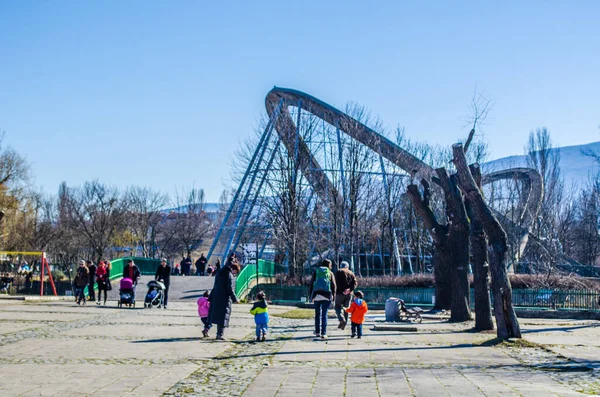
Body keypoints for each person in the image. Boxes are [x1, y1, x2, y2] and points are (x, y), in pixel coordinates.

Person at [208, 260, 240, 340]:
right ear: (234, 269)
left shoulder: (219, 272)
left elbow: (215, 284)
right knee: (223, 316)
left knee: (213, 315)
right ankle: (219, 334)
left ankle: (206, 330)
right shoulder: (229, 275)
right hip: (224, 298)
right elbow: (230, 288)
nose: (235, 274)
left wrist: (211, 296)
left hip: (216, 296)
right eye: (236, 272)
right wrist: (235, 299)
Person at [309, 259, 337, 340]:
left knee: (317, 314)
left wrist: (311, 296)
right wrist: (333, 297)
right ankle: (323, 333)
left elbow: (311, 284)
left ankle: (317, 331)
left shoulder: (316, 272)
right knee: (324, 315)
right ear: (329, 265)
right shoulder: (330, 273)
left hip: (317, 296)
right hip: (327, 296)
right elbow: (333, 286)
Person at [334, 261, 358, 330]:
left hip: (340, 294)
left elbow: (336, 283)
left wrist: (341, 291)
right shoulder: (351, 273)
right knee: (346, 309)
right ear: (347, 266)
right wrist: (349, 289)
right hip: (349, 294)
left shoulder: (339, 271)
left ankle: (341, 319)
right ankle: (344, 324)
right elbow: (355, 283)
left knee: (337, 307)